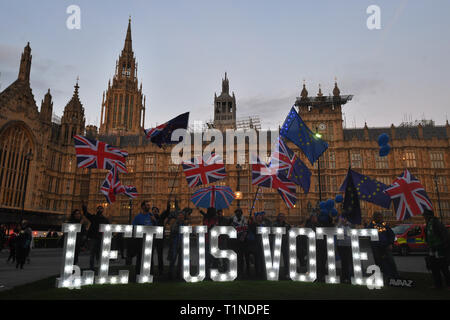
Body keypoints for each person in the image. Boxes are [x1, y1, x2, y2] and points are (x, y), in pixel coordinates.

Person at [423, 209, 450, 289]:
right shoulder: (428, 224)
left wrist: (443, 246)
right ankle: (438, 284)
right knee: (434, 268)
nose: (424, 217)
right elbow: (428, 236)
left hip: (440, 249)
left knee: (443, 267)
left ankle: (448, 284)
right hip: (432, 249)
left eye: (425, 216)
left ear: (429, 216)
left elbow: (445, 236)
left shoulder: (436, 223)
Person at [368, 212, 399, 281]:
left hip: (386, 246)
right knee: (379, 262)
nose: (380, 218)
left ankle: (395, 276)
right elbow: (367, 234)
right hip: (376, 247)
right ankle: (383, 277)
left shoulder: (385, 225)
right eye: (378, 217)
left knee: (390, 261)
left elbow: (392, 235)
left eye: (380, 217)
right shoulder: (371, 225)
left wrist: (390, 243)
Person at [82, 202, 110, 270]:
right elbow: (86, 214)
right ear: (96, 210)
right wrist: (84, 207)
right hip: (94, 237)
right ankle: (91, 267)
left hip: (101, 238)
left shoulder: (105, 219)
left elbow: (108, 228)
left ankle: (99, 266)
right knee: (92, 253)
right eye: (98, 208)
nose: (100, 210)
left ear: (103, 210)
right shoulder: (93, 217)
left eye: (101, 209)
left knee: (100, 252)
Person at [132, 201, 156, 275]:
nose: (148, 206)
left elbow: (156, 227)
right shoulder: (138, 217)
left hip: (150, 239)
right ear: (142, 207)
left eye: (149, 205)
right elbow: (133, 227)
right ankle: (138, 272)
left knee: (150, 256)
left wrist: (154, 221)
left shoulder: (151, 216)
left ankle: (150, 272)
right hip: (141, 240)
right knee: (140, 256)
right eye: (147, 205)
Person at [247, 211, 270, 279]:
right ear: (256, 218)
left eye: (260, 216)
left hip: (264, 244)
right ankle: (257, 274)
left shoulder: (264, 224)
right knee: (257, 259)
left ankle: (263, 273)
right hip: (256, 244)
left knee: (263, 260)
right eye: (258, 217)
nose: (260, 217)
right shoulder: (253, 225)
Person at [199, 207, 219, 279]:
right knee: (208, 259)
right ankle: (207, 274)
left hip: (212, 241)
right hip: (208, 240)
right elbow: (205, 227)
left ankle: (212, 274)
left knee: (213, 259)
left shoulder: (214, 219)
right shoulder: (207, 219)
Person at [167, 211, 186, 280]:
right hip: (175, 243)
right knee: (173, 259)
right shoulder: (175, 223)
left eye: (182, 216)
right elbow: (173, 230)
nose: (181, 217)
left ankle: (178, 274)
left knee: (180, 261)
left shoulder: (184, 224)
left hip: (181, 244)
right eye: (180, 215)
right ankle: (170, 274)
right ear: (177, 216)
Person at [230, 208, 249, 278]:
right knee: (235, 257)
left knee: (241, 257)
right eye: (237, 212)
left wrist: (243, 237)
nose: (238, 213)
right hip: (234, 240)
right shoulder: (232, 219)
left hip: (242, 241)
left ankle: (241, 272)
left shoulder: (244, 219)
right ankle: (235, 271)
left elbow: (246, 229)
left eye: (239, 212)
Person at [272, 213, 291, 279]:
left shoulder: (287, 225)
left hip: (285, 243)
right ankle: (275, 274)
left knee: (286, 259)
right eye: (280, 216)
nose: (282, 218)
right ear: (278, 217)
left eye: (283, 216)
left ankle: (287, 273)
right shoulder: (274, 224)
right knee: (276, 259)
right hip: (277, 243)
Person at [336, 215, 353, 284]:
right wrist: (340, 222)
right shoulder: (340, 226)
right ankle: (344, 277)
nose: (344, 220)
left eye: (345, 219)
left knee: (349, 261)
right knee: (344, 262)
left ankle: (349, 276)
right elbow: (337, 229)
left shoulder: (350, 225)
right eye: (342, 219)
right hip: (341, 245)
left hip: (349, 245)